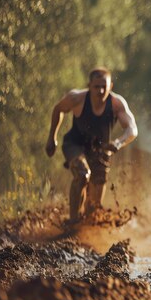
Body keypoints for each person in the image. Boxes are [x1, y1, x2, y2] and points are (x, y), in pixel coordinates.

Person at [45, 68, 138, 225]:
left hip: (100, 152)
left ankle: (85, 233)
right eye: (96, 87)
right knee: (82, 174)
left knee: (93, 209)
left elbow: (132, 129)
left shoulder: (116, 104)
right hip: (74, 144)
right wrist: (51, 137)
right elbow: (58, 109)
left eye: (104, 86)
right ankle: (72, 222)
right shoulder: (77, 98)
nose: (100, 91)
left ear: (111, 86)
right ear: (89, 85)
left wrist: (119, 143)